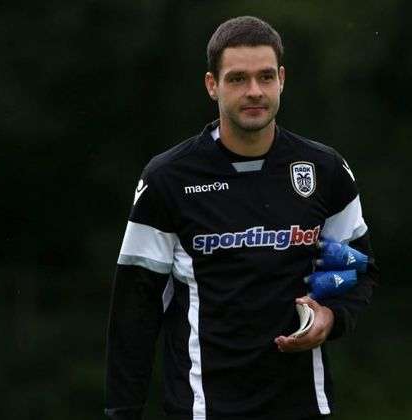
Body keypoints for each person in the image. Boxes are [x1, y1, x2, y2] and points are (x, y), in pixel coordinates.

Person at [105, 16, 378, 420]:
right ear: (212, 85)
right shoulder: (168, 179)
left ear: (281, 79)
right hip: (203, 409)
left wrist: (333, 316)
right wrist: (123, 413)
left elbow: (357, 269)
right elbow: (135, 310)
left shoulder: (325, 171)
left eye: (265, 76)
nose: (254, 91)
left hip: (304, 407)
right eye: (237, 79)